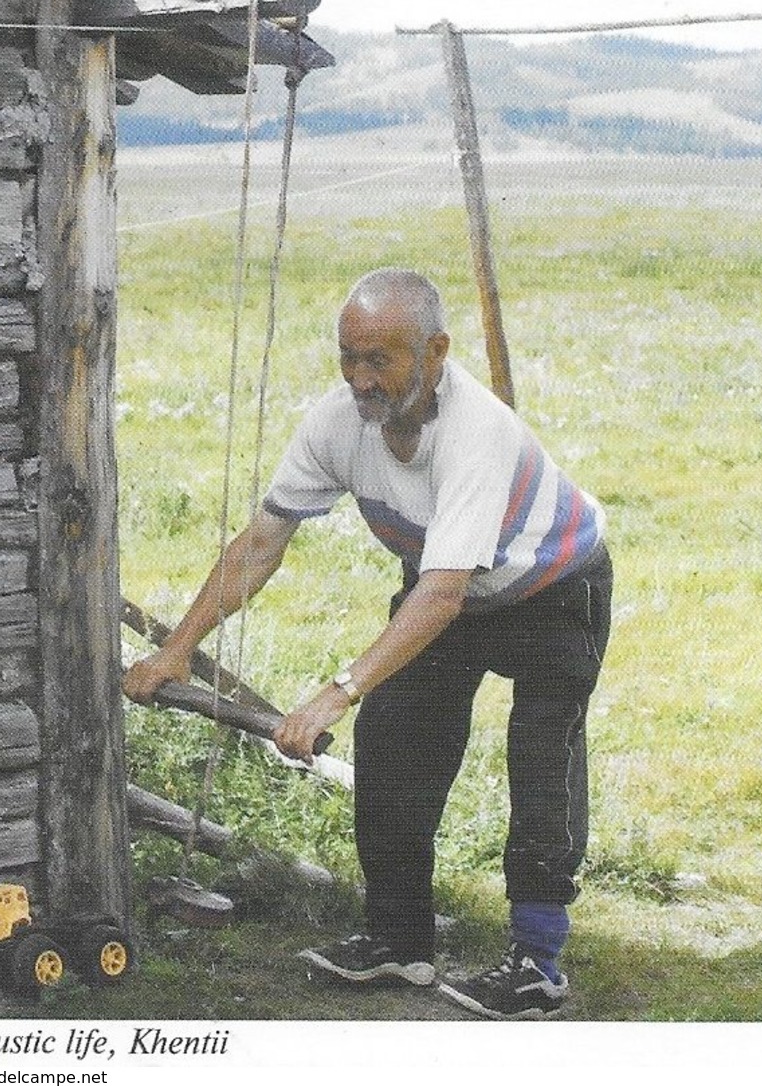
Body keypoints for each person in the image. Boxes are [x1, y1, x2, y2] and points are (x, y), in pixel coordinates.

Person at [124, 268, 611, 1020]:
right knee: (393, 741)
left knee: (542, 758)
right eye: (348, 357)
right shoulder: (333, 423)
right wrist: (177, 649)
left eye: (378, 359)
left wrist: (336, 690)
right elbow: (260, 543)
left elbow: (443, 594)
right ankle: (399, 940)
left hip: (552, 591)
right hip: (443, 590)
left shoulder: (476, 433)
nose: (360, 378)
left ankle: (536, 964)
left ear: (436, 350)